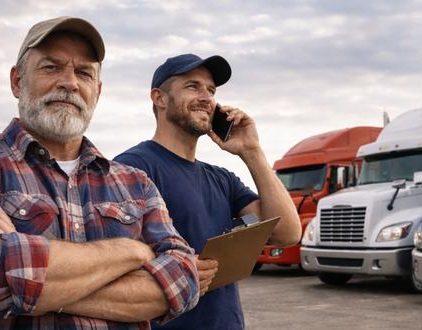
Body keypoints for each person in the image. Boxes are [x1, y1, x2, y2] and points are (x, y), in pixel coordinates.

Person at [0, 16, 198, 329]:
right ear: (17, 81)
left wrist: (23, 259)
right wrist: (133, 251)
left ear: (97, 91)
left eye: (84, 73)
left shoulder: (135, 183)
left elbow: (184, 281)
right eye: (51, 67)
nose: (70, 82)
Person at [114, 54, 301, 329]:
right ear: (159, 98)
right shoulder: (130, 169)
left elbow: (288, 234)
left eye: (211, 90)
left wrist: (252, 152)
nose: (206, 97)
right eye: (193, 86)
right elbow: (116, 265)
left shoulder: (222, 179)